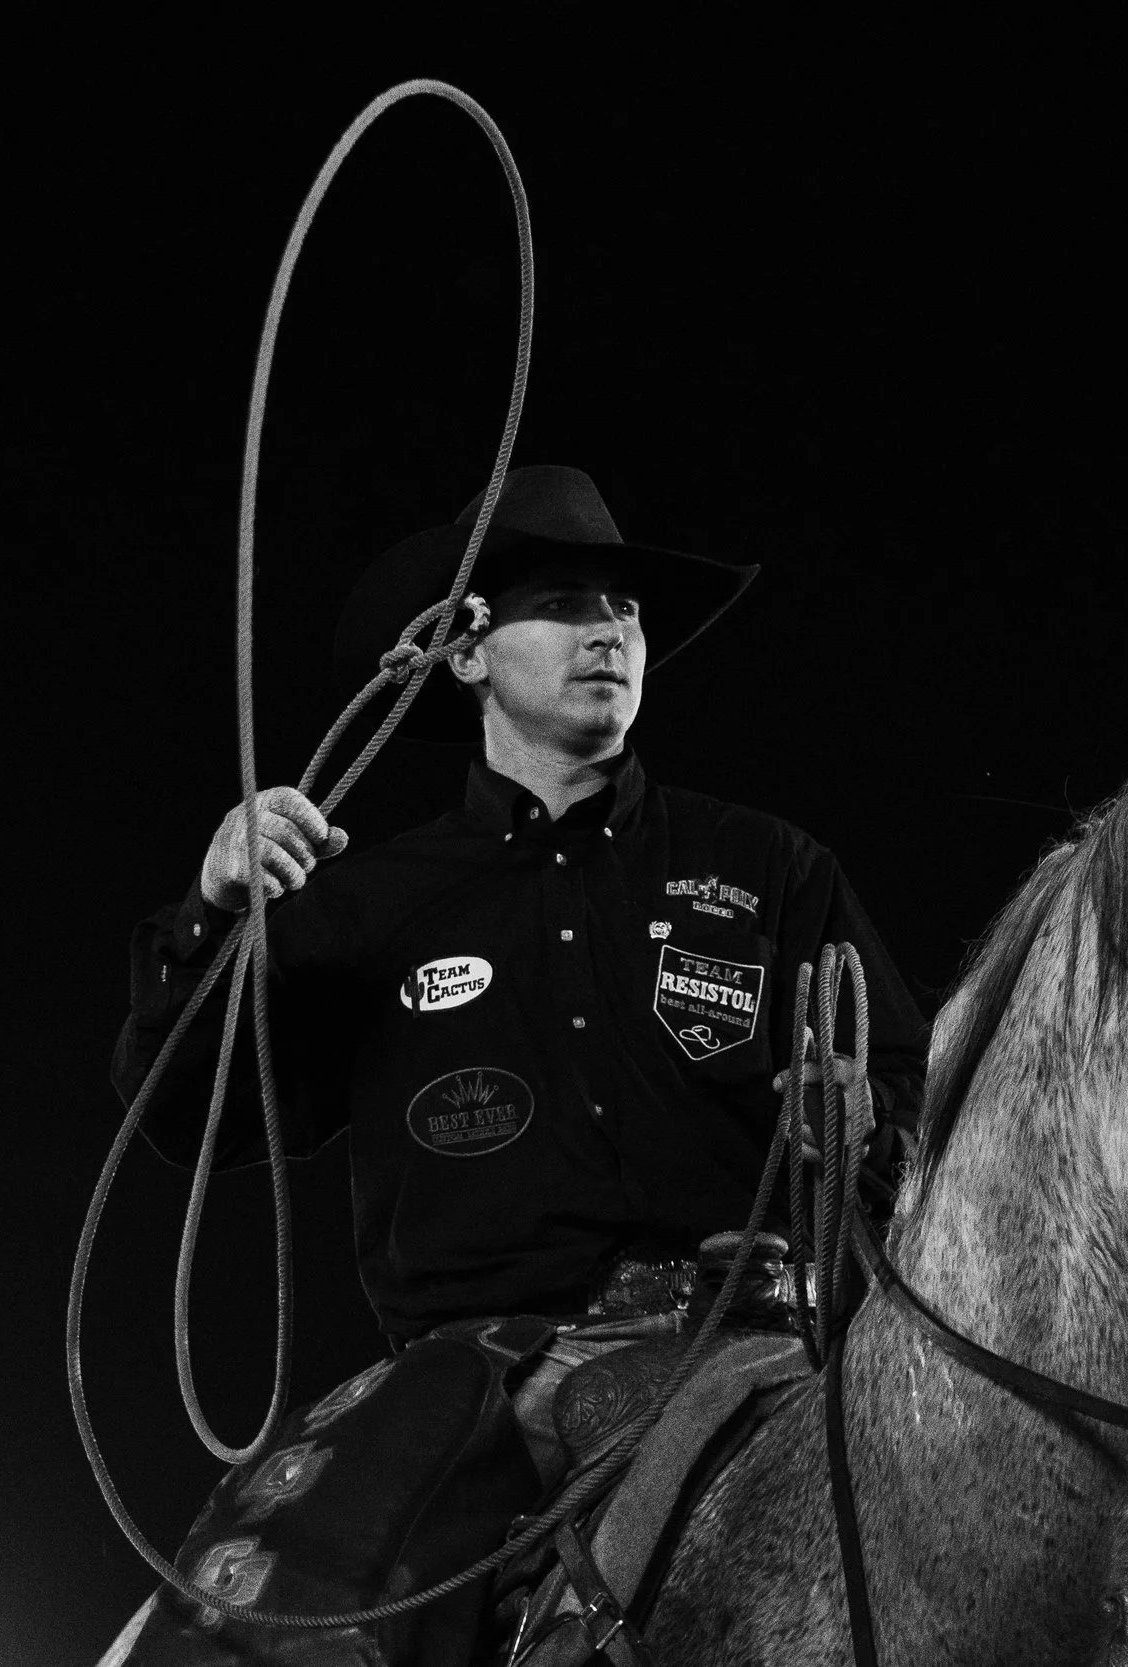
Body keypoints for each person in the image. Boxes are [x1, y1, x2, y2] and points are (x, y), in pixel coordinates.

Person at [100, 466, 925, 1665]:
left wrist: (864, 1122)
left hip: (763, 1339)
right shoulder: (363, 901)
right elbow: (182, 1113)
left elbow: (914, 1096)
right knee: (254, 1627)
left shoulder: (773, 866)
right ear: (466, 651)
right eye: (566, 602)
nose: (610, 630)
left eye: (627, 610)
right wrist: (211, 912)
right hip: (473, 1373)